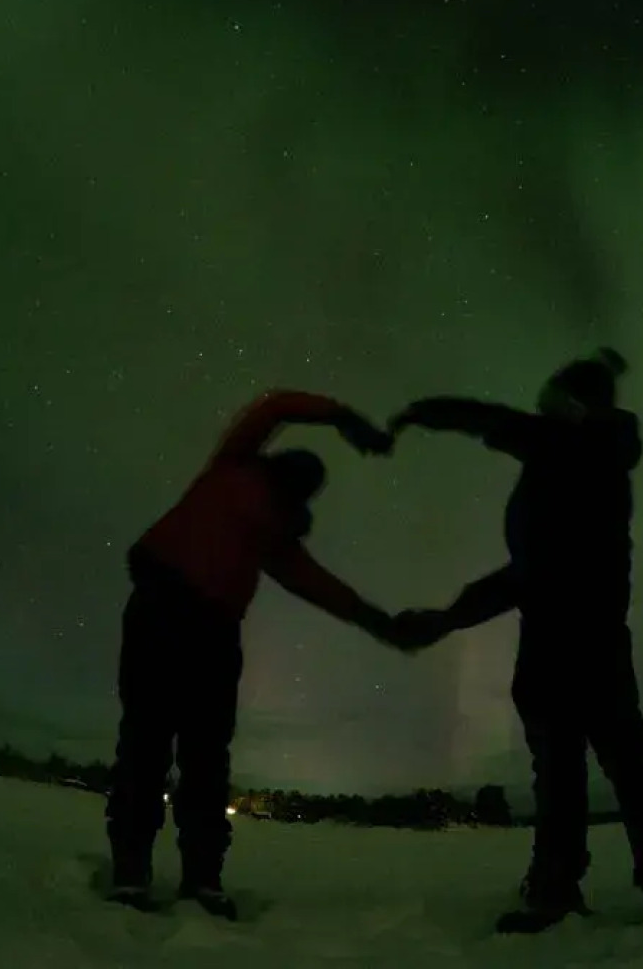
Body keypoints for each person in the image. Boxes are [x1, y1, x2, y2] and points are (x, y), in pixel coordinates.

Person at [387, 348, 643, 932]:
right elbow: (531, 570)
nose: (541, 412)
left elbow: (491, 422)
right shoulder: (586, 460)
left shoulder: (570, 447)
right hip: (582, 634)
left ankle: (574, 884)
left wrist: (421, 412)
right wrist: (452, 617)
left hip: (569, 638)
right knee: (611, 762)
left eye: (553, 403)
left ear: (572, 405)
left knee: (585, 766)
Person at [104, 389, 402, 919]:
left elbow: (312, 582)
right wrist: (341, 415)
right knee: (148, 743)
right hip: (164, 609)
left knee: (202, 757)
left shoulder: (272, 531)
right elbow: (276, 407)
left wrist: (370, 617)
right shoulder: (236, 464)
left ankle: (199, 876)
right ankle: (133, 868)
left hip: (209, 632)